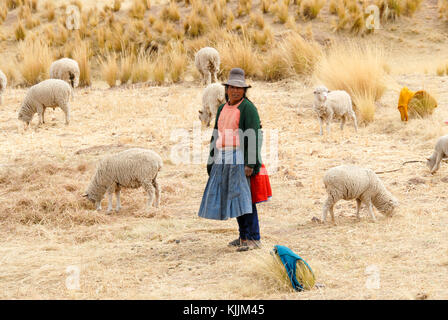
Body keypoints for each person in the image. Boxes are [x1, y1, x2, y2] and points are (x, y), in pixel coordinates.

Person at [198, 68, 267, 251]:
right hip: (223, 157)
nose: (235, 91)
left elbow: (253, 136)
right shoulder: (222, 108)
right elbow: (216, 135)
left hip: (239, 157)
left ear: (244, 90)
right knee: (233, 197)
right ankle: (243, 236)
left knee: (245, 199)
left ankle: (253, 238)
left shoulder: (248, 108)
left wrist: (250, 163)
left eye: (239, 88)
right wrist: (212, 160)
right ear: (227, 89)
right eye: (232, 87)